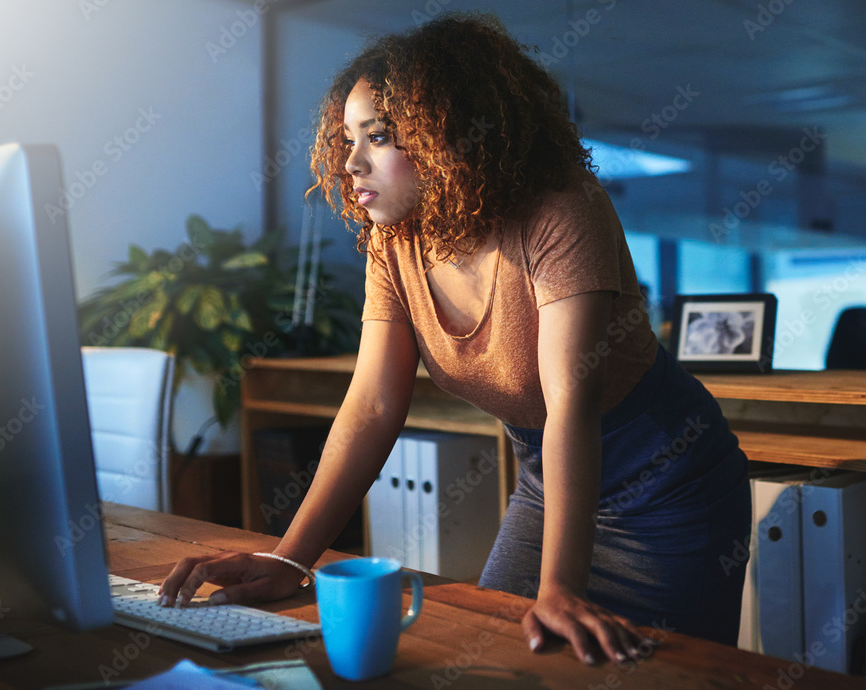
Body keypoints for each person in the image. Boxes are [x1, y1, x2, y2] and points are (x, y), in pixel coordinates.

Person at [160, 13, 751, 665]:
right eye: (347, 138)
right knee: (500, 658)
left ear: (444, 135)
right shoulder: (395, 238)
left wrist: (558, 587)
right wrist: (288, 561)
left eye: (377, 137)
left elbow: (570, 410)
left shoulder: (561, 210)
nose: (352, 162)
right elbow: (373, 406)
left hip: (669, 483)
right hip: (546, 479)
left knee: (658, 673)